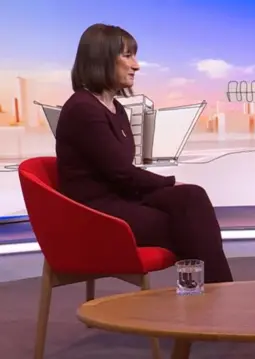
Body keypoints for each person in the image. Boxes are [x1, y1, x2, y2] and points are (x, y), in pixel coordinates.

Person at [55, 23, 233, 284]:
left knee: (192, 197)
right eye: (127, 56)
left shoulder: (116, 108)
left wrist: (173, 187)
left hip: (122, 198)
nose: (136, 65)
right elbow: (122, 173)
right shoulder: (83, 109)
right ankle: (216, 302)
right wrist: (169, 182)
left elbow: (122, 174)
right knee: (189, 227)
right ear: (101, 59)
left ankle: (211, 297)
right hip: (95, 213)